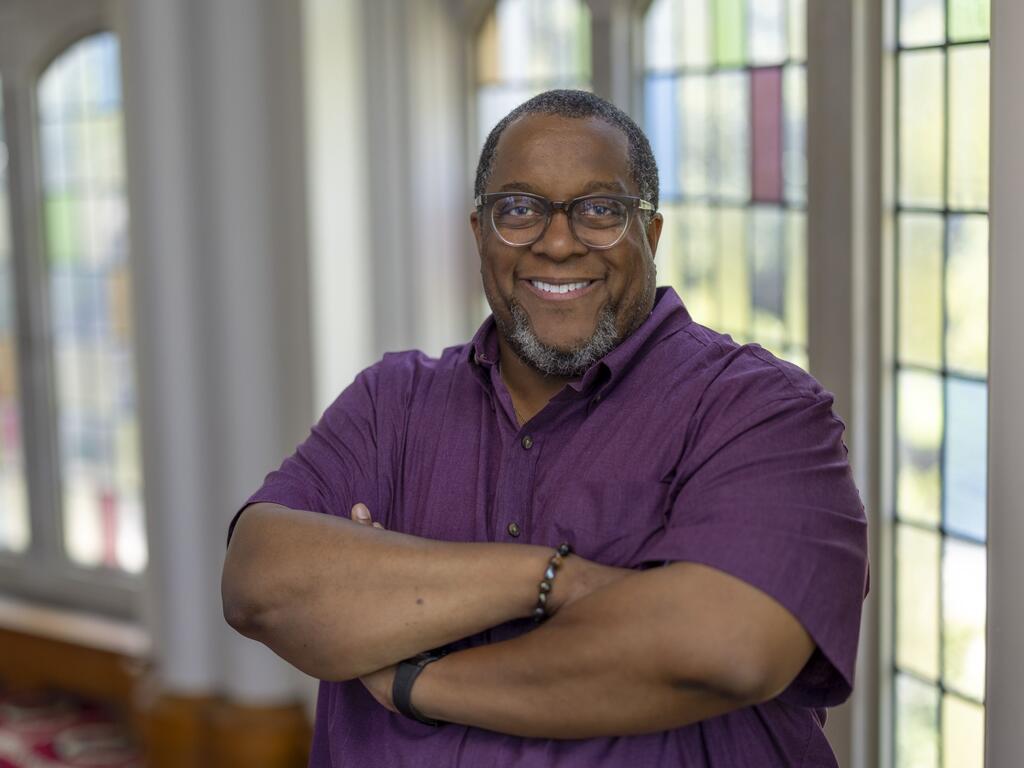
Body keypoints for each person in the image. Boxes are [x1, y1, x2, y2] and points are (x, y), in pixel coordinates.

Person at [222, 89, 868, 767]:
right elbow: (260, 585)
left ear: (649, 235)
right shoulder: (393, 402)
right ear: (480, 234)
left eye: (599, 210)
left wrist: (418, 679)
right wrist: (560, 579)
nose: (558, 242)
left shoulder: (762, 411)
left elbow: (726, 648)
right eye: (520, 209)